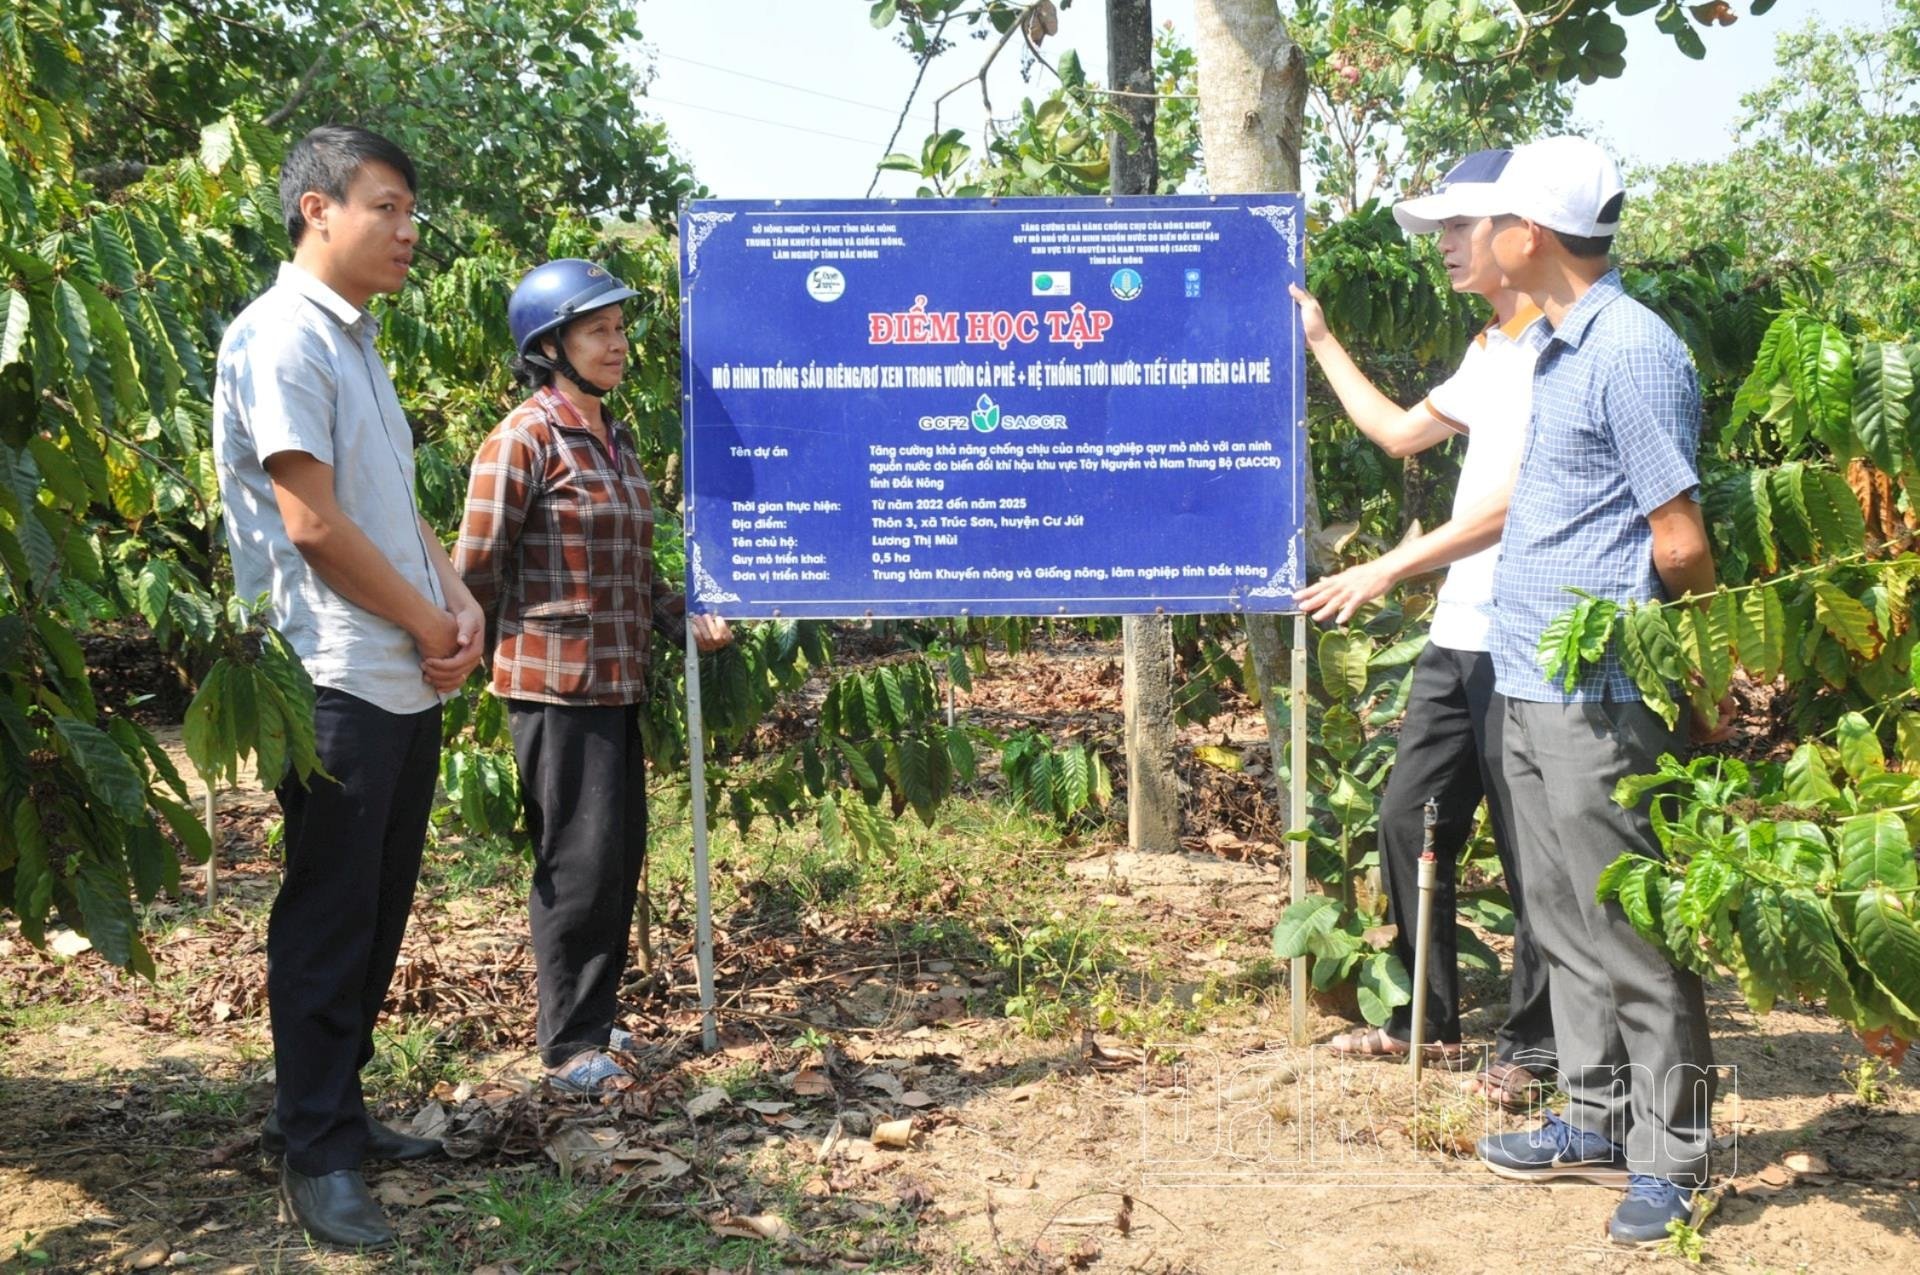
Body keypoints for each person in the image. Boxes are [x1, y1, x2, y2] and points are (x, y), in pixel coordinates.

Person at [1452, 135, 1728, 1246]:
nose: (1472, 240)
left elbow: (1680, 541)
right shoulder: (1559, 346)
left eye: (1488, 220)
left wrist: (1695, 667)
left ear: (1532, 234)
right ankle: (1596, 1115)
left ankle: (1678, 1155)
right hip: (1526, 675)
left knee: (1633, 930)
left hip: (1600, 692)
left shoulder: (1631, 351)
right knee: (1561, 918)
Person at [213, 124, 485, 1249]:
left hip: (396, 668)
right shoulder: (282, 337)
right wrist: (430, 618)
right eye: (388, 207)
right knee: (329, 916)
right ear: (318, 210)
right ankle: (315, 1154)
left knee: (374, 911)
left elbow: (381, 501)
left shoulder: (356, 342)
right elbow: (313, 526)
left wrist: (455, 589)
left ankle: (329, 1110)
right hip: (332, 673)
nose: (410, 232)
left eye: (413, 212)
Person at [1291, 149, 1556, 1109]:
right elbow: (1403, 433)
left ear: (1515, 231)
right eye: (1439, 229)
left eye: (1457, 226)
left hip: (1529, 631)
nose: (1443, 244)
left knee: (1533, 848)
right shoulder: (1491, 349)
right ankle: (1427, 1016)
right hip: (1461, 630)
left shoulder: (1558, 350)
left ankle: (1535, 1045)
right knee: (1412, 812)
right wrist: (1319, 339)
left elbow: (1513, 508)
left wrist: (1386, 566)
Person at [455, 259, 732, 1094]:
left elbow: (635, 568)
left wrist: (679, 613)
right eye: (597, 331)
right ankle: (569, 1047)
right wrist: (471, 652)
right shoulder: (524, 437)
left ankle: (596, 1019)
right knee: (577, 862)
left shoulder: (611, 438)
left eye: (619, 328)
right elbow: (474, 568)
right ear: (550, 347)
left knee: (615, 857)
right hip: (552, 685)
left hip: (617, 680)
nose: (617, 344)